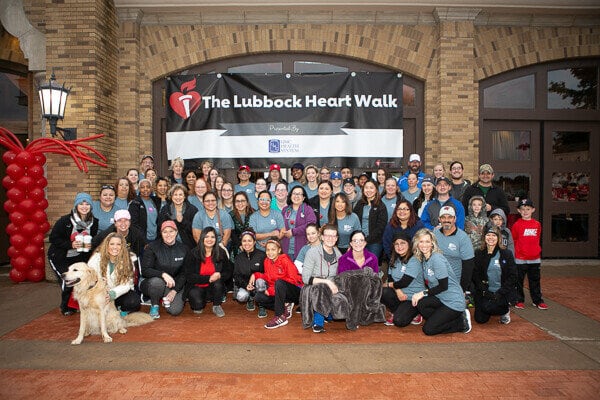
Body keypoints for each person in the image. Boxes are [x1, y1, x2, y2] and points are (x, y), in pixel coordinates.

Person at [410, 229, 472, 335]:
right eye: (421, 241)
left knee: (428, 330)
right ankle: (441, 320)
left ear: (432, 244)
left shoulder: (437, 259)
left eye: (427, 241)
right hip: (441, 298)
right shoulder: (425, 259)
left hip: (453, 301)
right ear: (417, 243)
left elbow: (443, 286)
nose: (424, 245)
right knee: (421, 304)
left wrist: (422, 293)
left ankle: (461, 323)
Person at [48, 192, 99, 315]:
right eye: (81, 203)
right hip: (60, 256)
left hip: (79, 257)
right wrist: (70, 245)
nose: (84, 206)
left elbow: (92, 238)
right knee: (68, 281)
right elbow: (53, 238)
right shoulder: (65, 221)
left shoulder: (94, 222)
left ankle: (77, 304)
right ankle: (65, 307)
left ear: (91, 207)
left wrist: (90, 245)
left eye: (87, 204)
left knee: (80, 279)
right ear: (76, 205)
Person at [248, 239, 303, 328]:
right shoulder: (267, 261)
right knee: (258, 298)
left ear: (279, 250)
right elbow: (268, 276)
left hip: (295, 291)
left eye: (273, 249)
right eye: (268, 250)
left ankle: (280, 316)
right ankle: (285, 306)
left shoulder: (285, 260)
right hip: (280, 291)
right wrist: (255, 275)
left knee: (279, 282)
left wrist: (271, 291)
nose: (270, 252)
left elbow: (294, 280)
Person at [140, 220, 188, 319]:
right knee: (157, 282)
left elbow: (184, 273)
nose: (168, 234)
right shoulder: (152, 247)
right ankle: (155, 305)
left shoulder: (184, 249)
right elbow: (145, 270)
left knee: (175, 310)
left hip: (174, 284)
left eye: (171, 231)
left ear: (176, 232)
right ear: (161, 233)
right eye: (165, 232)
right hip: (153, 282)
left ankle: (164, 297)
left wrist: (175, 290)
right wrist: (163, 274)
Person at [300, 224, 342, 333]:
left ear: (337, 239)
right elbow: (306, 278)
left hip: (331, 289)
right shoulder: (312, 252)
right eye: (327, 236)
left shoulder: (338, 255)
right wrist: (327, 282)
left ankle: (330, 315)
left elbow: (340, 275)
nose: (330, 239)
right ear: (322, 237)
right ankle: (318, 322)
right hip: (312, 287)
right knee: (322, 287)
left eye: (333, 236)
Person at [87, 232, 141, 315]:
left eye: (118, 244)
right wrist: (102, 290)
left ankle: (120, 310)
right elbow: (90, 278)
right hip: (100, 292)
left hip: (118, 293)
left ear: (122, 246)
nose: (115, 247)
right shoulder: (96, 258)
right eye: (112, 244)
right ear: (106, 245)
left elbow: (127, 284)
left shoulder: (129, 260)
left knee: (134, 301)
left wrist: (112, 294)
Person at [473, 225, 517, 325]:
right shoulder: (478, 253)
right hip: (486, 291)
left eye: (494, 235)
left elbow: (513, 276)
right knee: (480, 319)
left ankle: (504, 311)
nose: (491, 238)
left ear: (499, 237)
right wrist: (484, 291)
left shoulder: (506, 254)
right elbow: (475, 275)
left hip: (501, 292)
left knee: (493, 307)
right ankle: (490, 306)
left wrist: (501, 292)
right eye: (488, 235)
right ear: (484, 237)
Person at [380, 232, 426, 327]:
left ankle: (417, 313)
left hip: (413, 298)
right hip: (400, 295)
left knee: (399, 321)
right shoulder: (394, 260)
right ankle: (398, 311)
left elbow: (404, 282)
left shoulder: (414, 260)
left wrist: (389, 285)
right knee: (382, 291)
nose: (399, 246)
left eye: (402, 243)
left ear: (409, 244)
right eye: (396, 244)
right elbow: (391, 278)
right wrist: (398, 291)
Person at [434, 206, 475, 304]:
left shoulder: (463, 238)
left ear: (455, 219)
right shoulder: (434, 235)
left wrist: (462, 289)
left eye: (450, 217)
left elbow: (468, 265)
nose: (446, 220)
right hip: (435, 281)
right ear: (439, 219)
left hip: (454, 283)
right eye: (443, 217)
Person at [511, 199, 547, 310]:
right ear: (518, 211)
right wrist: (518, 253)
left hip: (534, 258)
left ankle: (537, 300)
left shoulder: (537, 224)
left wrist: (536, 251)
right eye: (522, 209)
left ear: (533, 210)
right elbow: (514, 240)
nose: (525, 211)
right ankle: (519, 300)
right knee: (518, 281)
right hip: (520, 258)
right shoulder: (517, 225)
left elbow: (537, 239)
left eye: (528, 209)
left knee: (535, 280)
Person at [183, 227, 227, 317]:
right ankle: (201, 301)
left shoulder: (221, 252)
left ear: (216, 239)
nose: (209, 239)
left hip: (214, 288)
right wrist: (209, 278)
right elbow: (189, 276)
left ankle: (216, 305)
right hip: (197, 286)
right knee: (197, 306)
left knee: (218, 283)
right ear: (202, 238)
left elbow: (229, 271)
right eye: (206, 237)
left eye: (212, 237)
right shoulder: (193, 253)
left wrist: (220, 275)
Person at [353, 179, 388, 261]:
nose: (368, 190)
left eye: (371, 188)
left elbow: (380, 227)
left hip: (374, 242)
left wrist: (366, 239)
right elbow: (354, 221)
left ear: (376, 190)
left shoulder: (381, 206)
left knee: (371, 265)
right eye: (366, 188)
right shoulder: (360, 204)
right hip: (359, 240)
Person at [157, 183, 198, 250]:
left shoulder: (192, 209)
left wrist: (182, 221)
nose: (178, 197)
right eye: (175, 195)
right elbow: (160, 227)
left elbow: (195, 230)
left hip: (188, 246)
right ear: (171, 196)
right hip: (168, 246)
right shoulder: (166, 209)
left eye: (180, 194)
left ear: (184, 196)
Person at [233, 229, 265, 311]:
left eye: (249, 241)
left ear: (254, 242)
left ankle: (262, 304)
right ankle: (250, 298)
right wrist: (246, 285)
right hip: (246, 285)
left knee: (260, 282)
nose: (247, 243)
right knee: (241, 296)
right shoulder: (238, 258)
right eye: (244, 241)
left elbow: (266, 273)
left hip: (260, 284)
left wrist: (256, 277)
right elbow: (236, 276)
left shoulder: (262, 255)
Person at [281, 186, 317, 259]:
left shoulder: (308, 209)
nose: (296, 196)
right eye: (294, 193)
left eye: (299, 194)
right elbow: (279, 226)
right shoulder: (285, 210)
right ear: (290, 196)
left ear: (303, 197)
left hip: (302, 248)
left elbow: (311, 225)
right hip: (286, 249)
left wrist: (293, 231)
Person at [229, 191, 254, 260]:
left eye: (242, 201)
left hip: (252, 246)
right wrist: (240, 245)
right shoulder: (230, 215)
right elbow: (232, 233)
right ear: (234, 203)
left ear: (247, 202)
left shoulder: (254, 214)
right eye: (237, 201)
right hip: (236, 247)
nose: (240, 203)